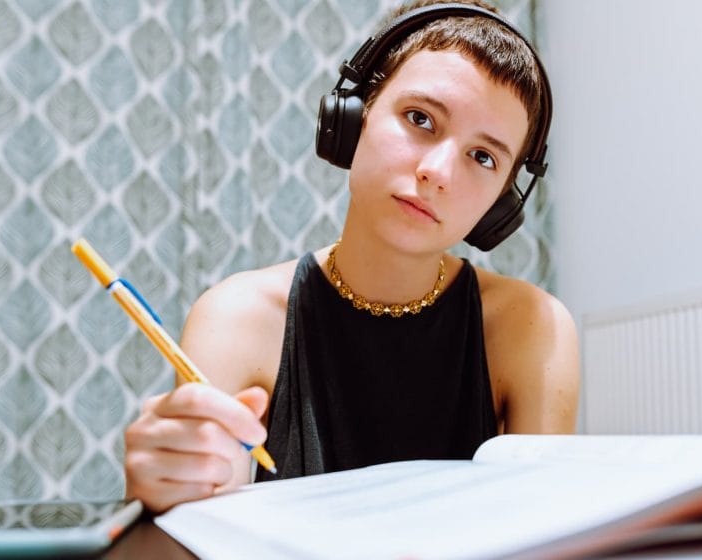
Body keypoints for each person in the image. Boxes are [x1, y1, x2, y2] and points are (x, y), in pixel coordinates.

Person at [124, 0, 580, 513]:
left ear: (502, 202)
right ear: (352, 117)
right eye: (420, 118)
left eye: (483, 157)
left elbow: (544, 529)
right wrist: (167, 492)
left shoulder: (532, 328)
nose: (439, 172)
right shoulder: (236, 317)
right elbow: (201, 522)